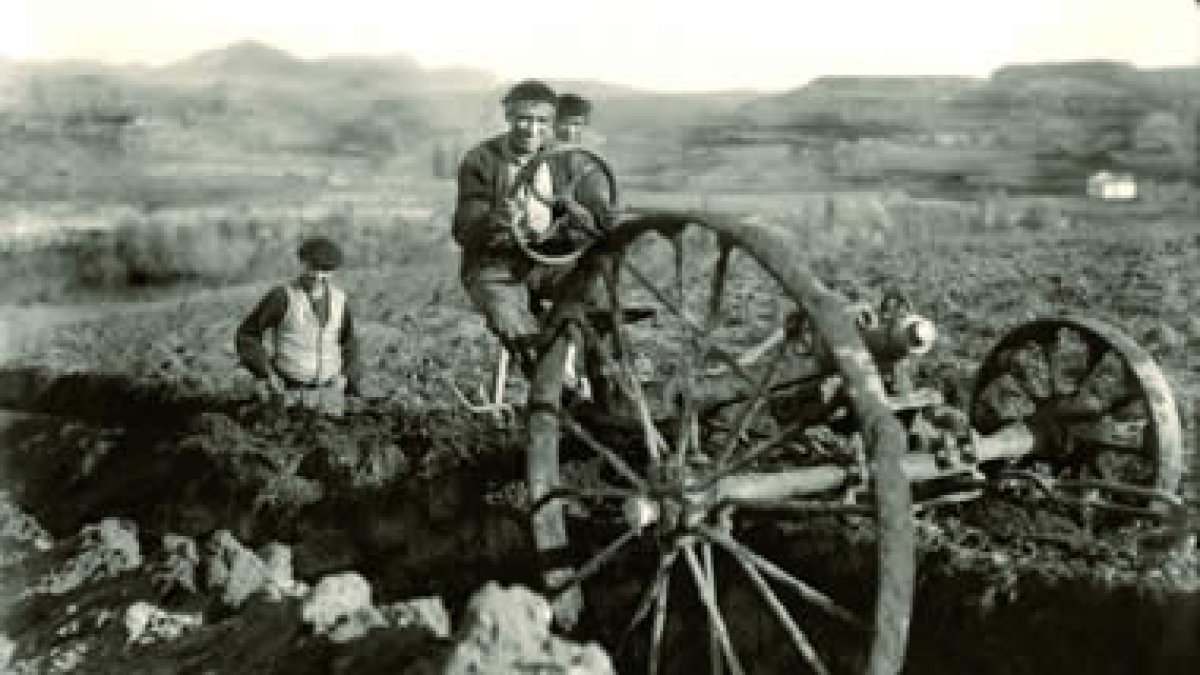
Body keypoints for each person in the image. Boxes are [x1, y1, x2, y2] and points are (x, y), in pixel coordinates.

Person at [452, 79, 614, 369]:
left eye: (542, 121)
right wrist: (495, 220)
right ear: (508, 116)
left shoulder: (566, 158)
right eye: (523, 119)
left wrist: (592, 213)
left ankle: (601, 385)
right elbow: (465, 230)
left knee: (595, 293)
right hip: (496, 265)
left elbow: (596, 205)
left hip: (550, 259)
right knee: (512, 322)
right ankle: (550, 389)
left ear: (552, 122)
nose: (532, 129)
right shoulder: (481, 160)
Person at [236, 236, 362, 417]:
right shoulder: (282, 296)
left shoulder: (340, 300)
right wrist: (266, 373)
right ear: (302, 263)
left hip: (327, 390)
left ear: (333, 271)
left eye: (325, 270)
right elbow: (247, 335)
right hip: (286, 389)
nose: (318, 276)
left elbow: (349, 342)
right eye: (313, 268)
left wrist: (346, 376)